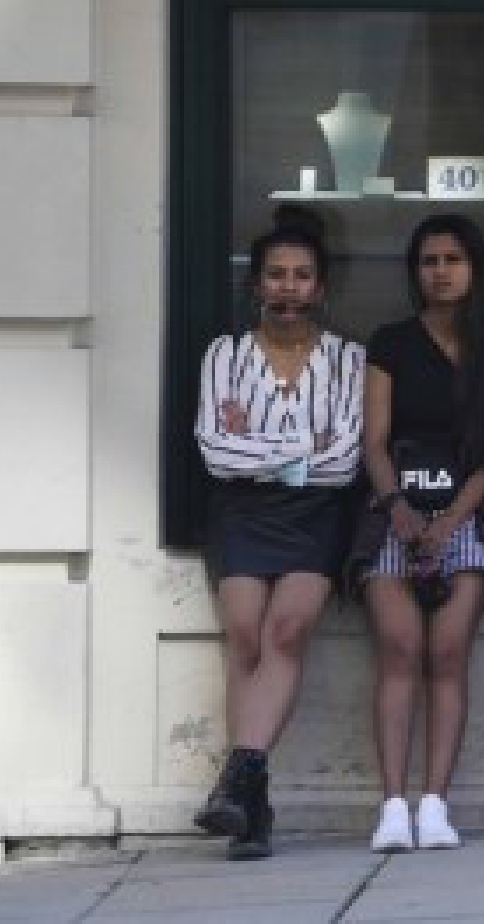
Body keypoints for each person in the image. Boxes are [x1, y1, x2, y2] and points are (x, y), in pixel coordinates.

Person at [193, 206, 364, 861]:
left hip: (317, 517)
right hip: (240, 512)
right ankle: (252, 804)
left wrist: (258, 444)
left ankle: (239, 775)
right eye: (276, 275)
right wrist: (301, 449)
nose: (288, 287)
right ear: (256, 284)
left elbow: (344, 459)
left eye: (301, 276)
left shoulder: (349, 359)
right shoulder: (225, 355)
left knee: (286, 630)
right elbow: (215, 449)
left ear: (320, 287)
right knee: (243, 636)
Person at [353, 215, 484, 853]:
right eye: (428, 260)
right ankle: (392, 805)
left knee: (448, 651)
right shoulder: (392, 341)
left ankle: (436, 804)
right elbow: (373, 440)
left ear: (474, 267)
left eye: (453, 258)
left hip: (472, 510)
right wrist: (397, 506)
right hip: (395, 506)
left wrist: (452, 519)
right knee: (399, 648)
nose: (441, 271)